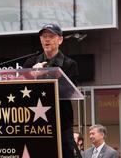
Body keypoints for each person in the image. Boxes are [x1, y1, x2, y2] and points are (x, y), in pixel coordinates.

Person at [23, 23, 79, 158]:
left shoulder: (69, 64)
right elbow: (21, 91)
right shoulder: (30, 63)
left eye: (51, 36)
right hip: (36, 124)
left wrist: (44, 75)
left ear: (60, 40)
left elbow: (68, 91)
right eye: (44, 36)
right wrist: (31, 76)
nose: (46, 40)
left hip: (61, 123)